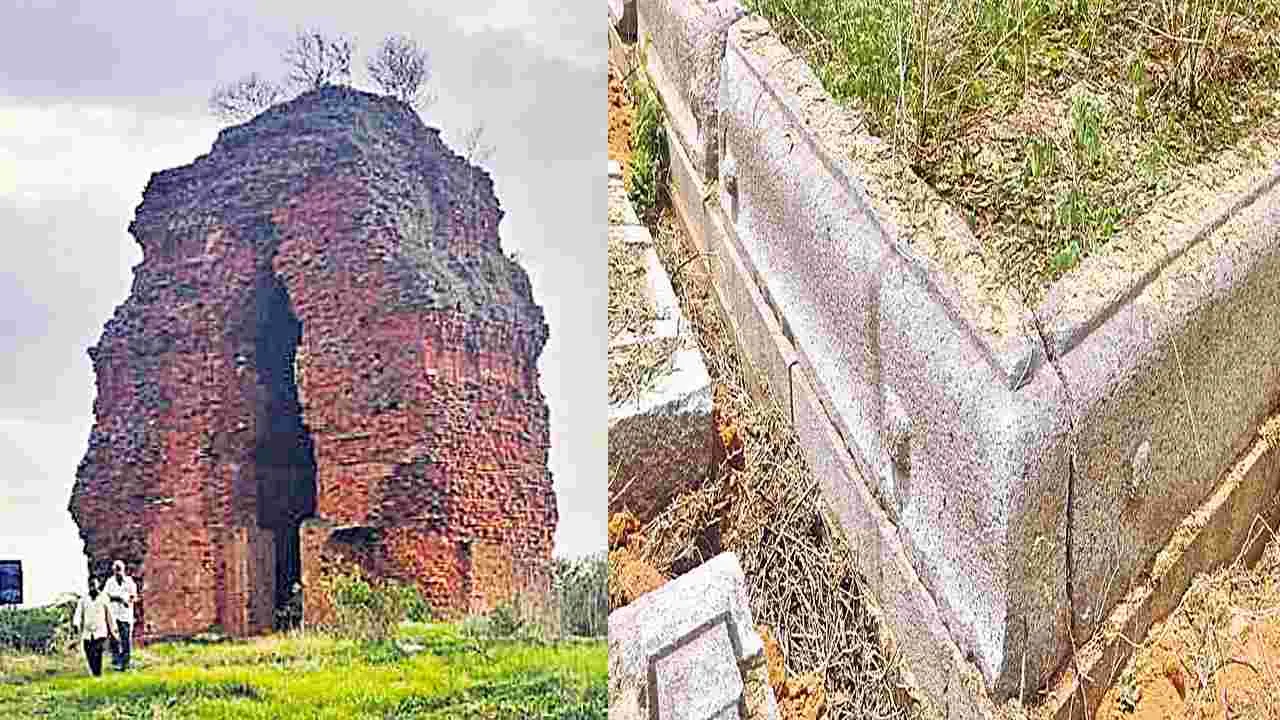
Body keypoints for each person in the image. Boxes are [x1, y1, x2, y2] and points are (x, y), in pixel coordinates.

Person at [71, 577, 118, 676]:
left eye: (94, 585)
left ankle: (98, 674)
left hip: (100, 632)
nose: (93, 587)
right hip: (87, 634)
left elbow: (110, 615)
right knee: (89, 654)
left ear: (98, 585)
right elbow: (78, 613)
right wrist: (76, 624)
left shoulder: (104, 598)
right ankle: (94, 673)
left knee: (98, 653)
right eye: (91, 585)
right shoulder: (83, 600)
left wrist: (113, 631)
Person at [102, 560, 138, 671]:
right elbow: (105, 596)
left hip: (126, 615)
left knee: (126, 639)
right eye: (116, 570)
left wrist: (128, 600)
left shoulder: (129, 582)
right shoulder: (110, 583)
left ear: (123, 570)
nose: (118, 573)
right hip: (114, 614)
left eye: (119, 570)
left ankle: (125, 662)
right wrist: (118, 598)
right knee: (114, 639)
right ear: (113, 571)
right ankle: (116, 661)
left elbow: (134, 596)